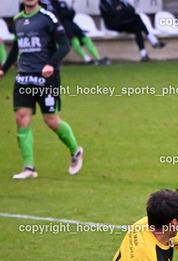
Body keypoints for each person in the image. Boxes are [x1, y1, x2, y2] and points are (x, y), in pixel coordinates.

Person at [0, 0, 83, 179]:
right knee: (21, 118)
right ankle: (29, 168)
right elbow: (16, 49)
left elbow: (64, 46)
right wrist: (4, 69)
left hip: (46, 78)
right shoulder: (17, 20)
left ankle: (76, 151)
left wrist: (51, 64)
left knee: (51, 121)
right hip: (24, 77)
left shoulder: (48, 18)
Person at [47, 0, 110, 65]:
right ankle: (87, 59)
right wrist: (64, 14)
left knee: (86, 39)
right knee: (75, 41)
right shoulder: (49, 4)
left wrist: (64, 14)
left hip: (72, 25)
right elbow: (56, 15)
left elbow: (72, 12)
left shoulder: (62, 3)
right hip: (62, 26)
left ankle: (98, 58)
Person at [99, 0, 164, 62]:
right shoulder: (103, 2)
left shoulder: (119, 0)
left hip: (123, 22)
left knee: (137, 28)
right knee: (136, 18)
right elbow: (112, 13)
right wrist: (123, 10)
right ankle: (152, 39)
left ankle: (144, 54)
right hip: (114, 25)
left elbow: (132, 9)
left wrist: (121, 9)